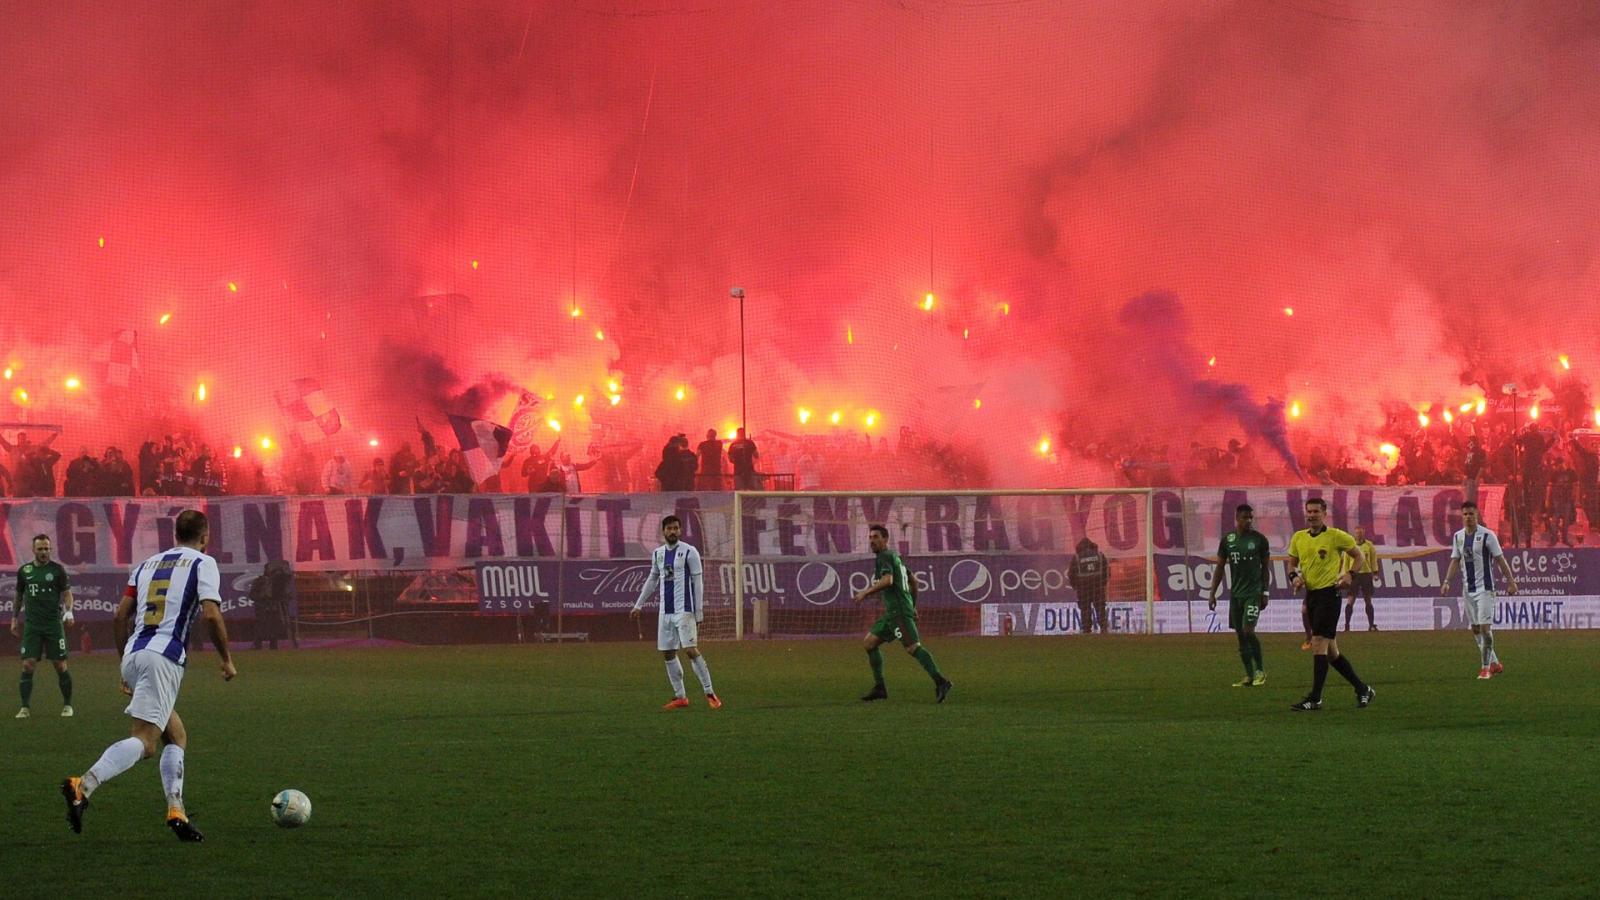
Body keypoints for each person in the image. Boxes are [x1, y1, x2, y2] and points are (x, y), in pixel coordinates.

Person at [61, 509, 236, 842]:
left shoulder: (145, 565)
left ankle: (176, 810)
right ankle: (82, 786)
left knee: (176, 735)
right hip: (163, 658)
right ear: (205, 537)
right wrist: (227, 660)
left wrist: (124, 663)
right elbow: (212, 616)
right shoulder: (203, 563)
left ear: (174, 534)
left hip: (135, 654)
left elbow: (119, 618)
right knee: (145, 741)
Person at [1286, 498, 1375, 711]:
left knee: (1318, 643)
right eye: (1309, 511)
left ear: (1324, 513)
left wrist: (1350, 575)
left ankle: (1315, 698)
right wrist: (1294, 578)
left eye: (1316, 511)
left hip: (1330, 595)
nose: (1311, 515)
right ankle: (1363, 689)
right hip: (1312, 596)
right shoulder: (1299, 537)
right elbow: (1291, 563)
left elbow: (1359, 555)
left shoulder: (1335, 536)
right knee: (1332, 653)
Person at [629, 516, 721, 710]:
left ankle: (710, 692)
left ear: (680, 531)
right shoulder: (658, 554)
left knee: (690, 649)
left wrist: (699, 611)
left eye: (676, 528)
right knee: (668, 652)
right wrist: (639, 605)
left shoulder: (690, 552)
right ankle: (680, 697)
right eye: (669, 528)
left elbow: (698, 582)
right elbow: (652, 579)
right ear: (663, 531)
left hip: (685, 610)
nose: (673, 531)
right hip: (666, 612)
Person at [853, 524, 951, 703]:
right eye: (870, 537)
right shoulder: (894, 557)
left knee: (913, 648)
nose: (872, 541)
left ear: (885, 539)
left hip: (898, 611)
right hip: (893, 612)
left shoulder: (885, 556)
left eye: (876, 537)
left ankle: (941, 681)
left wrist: (866, 592)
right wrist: (913, 605)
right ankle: (880, 687)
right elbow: (914, 581)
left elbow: (888, 580)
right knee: (869, 643)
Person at [1440, 501, 1518, 679]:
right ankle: (1495, 663)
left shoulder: (1487, 535)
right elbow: (1455, 560)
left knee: (1484, 628)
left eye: (1471, 514)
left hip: (1485, 589)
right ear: (1462, 516)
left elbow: (1500, 560)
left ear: (1477, 515)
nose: (1468, 517)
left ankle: (1485, 668)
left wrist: (1511, 581)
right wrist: (1447, 581)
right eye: (1465, 514)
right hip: (1468, 590)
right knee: (1475, 629)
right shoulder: (1458, 537)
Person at [1206, 504, 1271, 687]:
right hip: (1236, 595)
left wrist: (1265, 592)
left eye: (1251, 517)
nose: (1248, 521)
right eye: (1245, 517)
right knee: (1240, 635)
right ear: (1237, 518)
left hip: (1253, 593)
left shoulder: (1260, 540)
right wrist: (1212, 593)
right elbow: (1220, 567)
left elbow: (1265, 568)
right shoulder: (1228, 540)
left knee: (1248, 630)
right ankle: (1249, 676)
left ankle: (1260, 671)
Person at [13, 535, 76, 718]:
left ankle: (67, 705)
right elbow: (18, 596)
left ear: (50, 549)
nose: (44, 552)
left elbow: (67, 594)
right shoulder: (24, 571)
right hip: (32, 626)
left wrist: (69, 611)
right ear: (33, 550)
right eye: (40, 549)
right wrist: (15, 618)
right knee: (27, 665)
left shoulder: (58, 570)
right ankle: (24, 708)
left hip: (53, 625)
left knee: (60, 665)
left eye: (47, 549)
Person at [1067, 536, 1110, 635]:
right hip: (1098, 586)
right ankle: (1103, 628)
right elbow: (1107, 571)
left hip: (1083, 588)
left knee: (1085, 608)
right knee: (1100, 607)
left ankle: (1086, 630)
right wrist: (1103, 583)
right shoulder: (1100, 555)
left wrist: (1075, 586)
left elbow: (1071, 574)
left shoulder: (1076, 558)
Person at [1342, 526, 1379, 632]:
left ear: (1364, 533)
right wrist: (1345, 575)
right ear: (1355, 534)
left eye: (1361, 533)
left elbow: (1373, 559)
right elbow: (1346, 561)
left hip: (1366, 574)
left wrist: (1375, 573)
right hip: (1354, 575)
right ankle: (1347, 625)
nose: (1359, 535)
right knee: (1350, 600)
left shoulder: (1369, 545)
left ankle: (1371, 625)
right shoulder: (1349, 546)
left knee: (1368, 599)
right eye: (1357, 533)